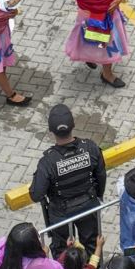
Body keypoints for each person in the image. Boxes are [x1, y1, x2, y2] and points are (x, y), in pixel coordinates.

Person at [30, 104, 107, 258]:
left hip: (60, 213)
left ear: (51, 131)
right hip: (88, 206)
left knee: (62, 251)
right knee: (92, 244)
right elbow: (101, 176)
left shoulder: (48, 162)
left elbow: (36, 194)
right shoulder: (90, 148)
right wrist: (97, 196)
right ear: (73, 125)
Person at [53, 0, 130, 88]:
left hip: (111, 16)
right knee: (95, 42)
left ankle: (106, 73)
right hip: (91, 19)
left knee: (107, 45)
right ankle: (96, 62)